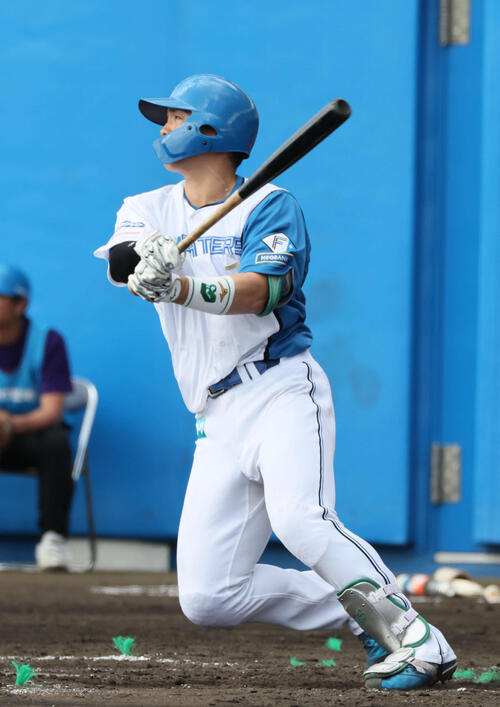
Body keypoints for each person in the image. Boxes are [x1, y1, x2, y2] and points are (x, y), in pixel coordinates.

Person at [95, 74, 456, 690]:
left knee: (301, 519)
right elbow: (122, 261)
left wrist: (180, 285)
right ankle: (360, 610)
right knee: (210, 596)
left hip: (280, 389)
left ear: (210, 130)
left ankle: (419, 640)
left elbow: (262, 291)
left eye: (175, 117)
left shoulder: (272, 205)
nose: (164, 127)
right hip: (214, 414)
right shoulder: (147, 207)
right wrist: (145, 262)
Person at [0, 265, 73, 570]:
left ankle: (52, 539)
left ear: (20, 304)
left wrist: (8, 425)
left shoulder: (47, 341)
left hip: (29, 437)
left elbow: (51, 411)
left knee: (56, 444)